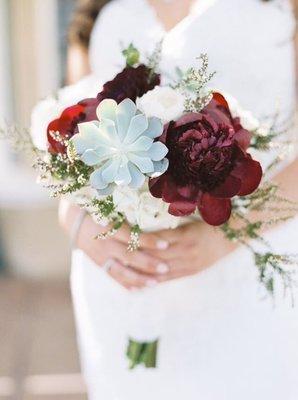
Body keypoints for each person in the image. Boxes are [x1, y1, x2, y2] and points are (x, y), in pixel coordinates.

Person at [60, 0, 298, 399]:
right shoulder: (95, 11)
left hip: (253, 265)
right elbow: (69, 134)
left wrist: (227, 235)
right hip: (122, 277)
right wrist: (75, 220)